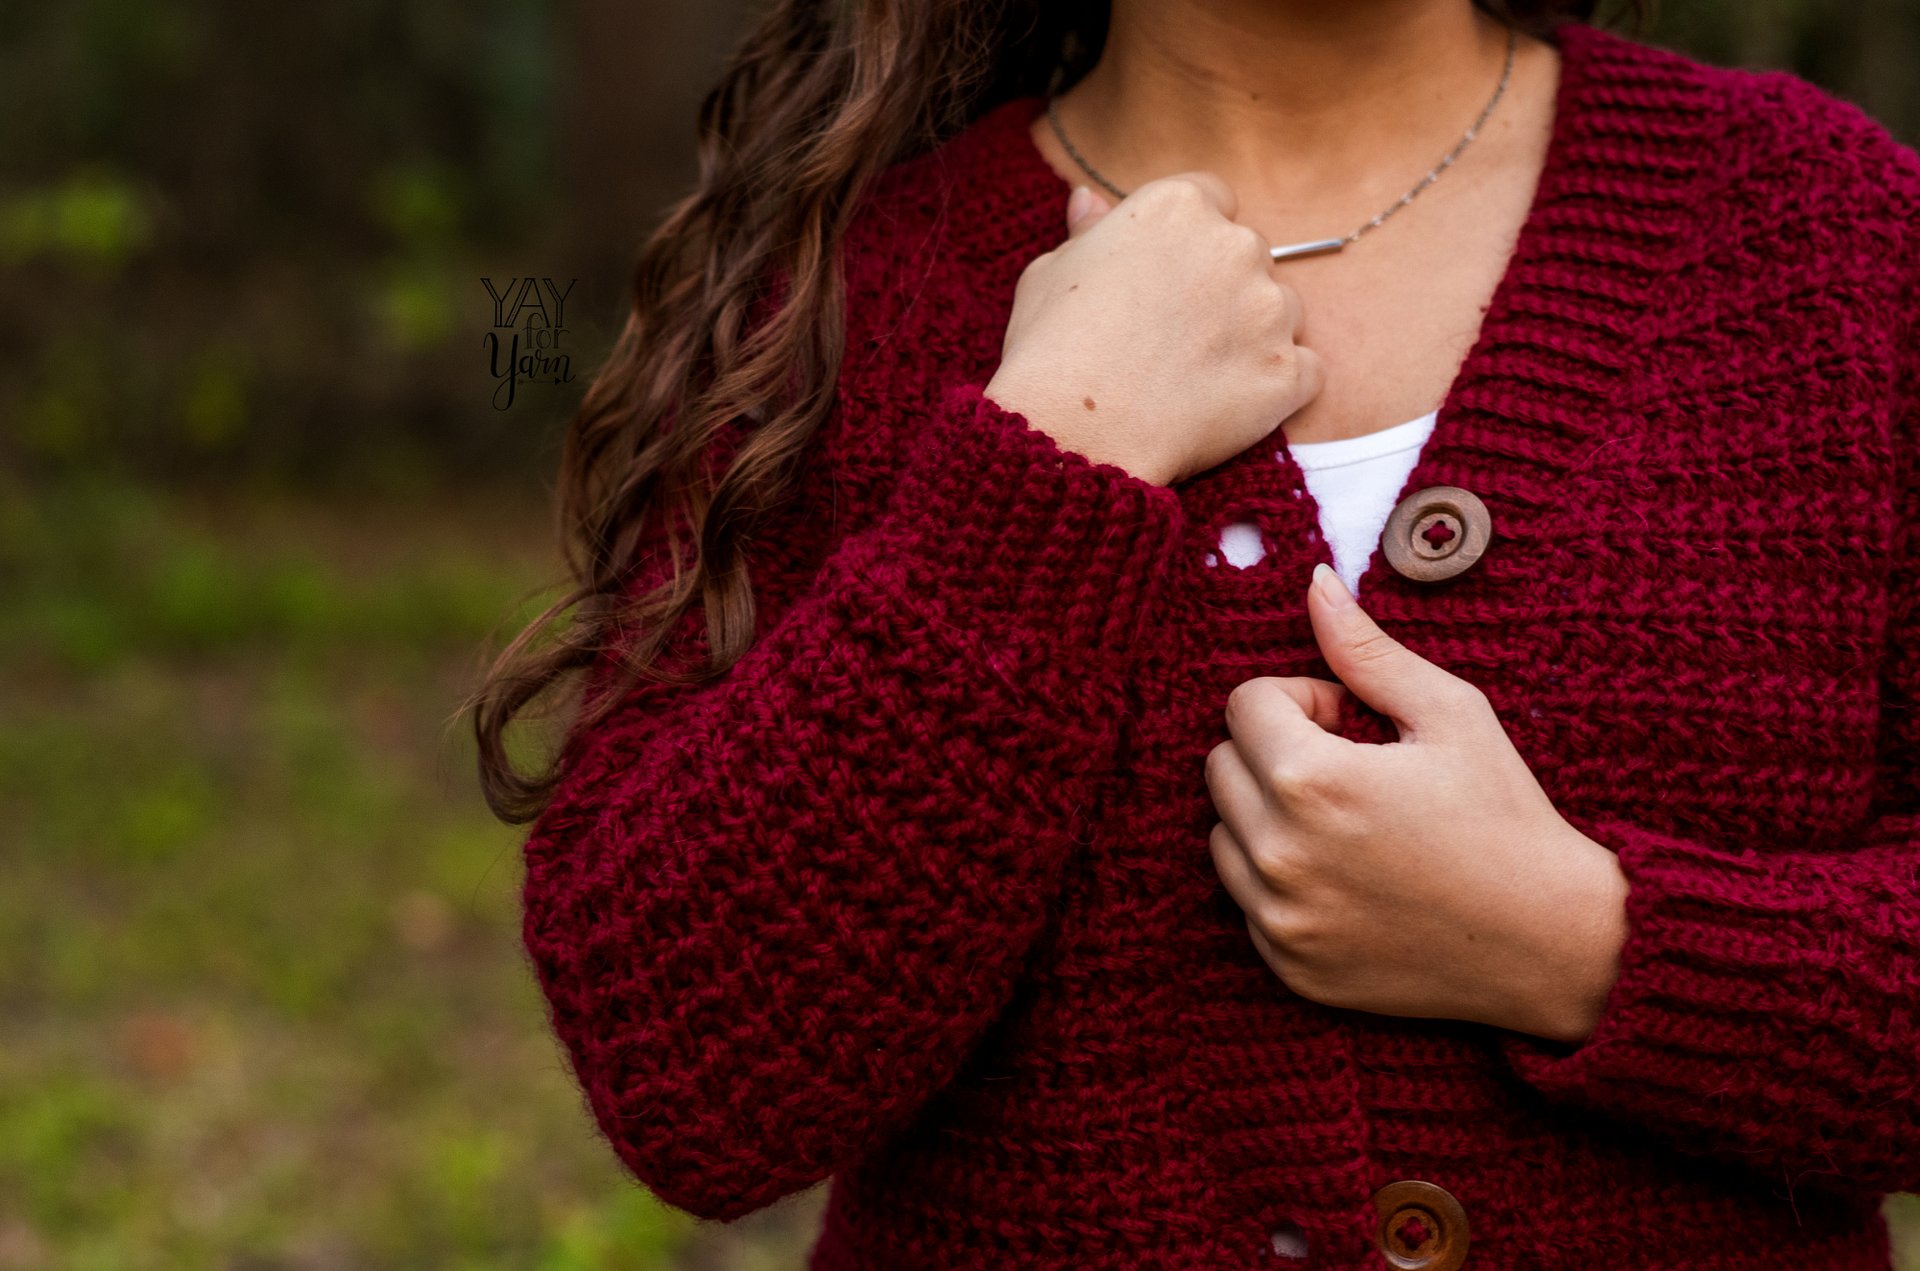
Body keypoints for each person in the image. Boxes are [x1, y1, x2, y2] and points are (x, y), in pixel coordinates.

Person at [471, 1, 1920, 1266]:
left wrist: (1579, 947)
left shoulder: (1830, 236)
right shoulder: (847, 295)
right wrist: (1051, 456)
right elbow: (688, 1074)